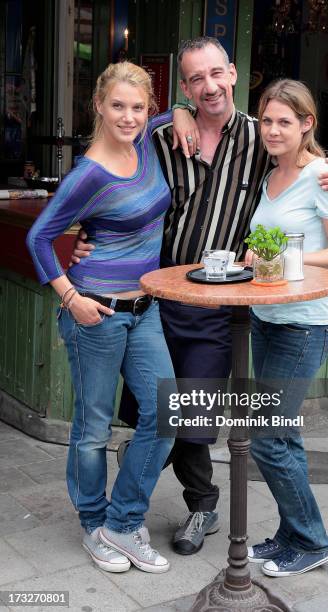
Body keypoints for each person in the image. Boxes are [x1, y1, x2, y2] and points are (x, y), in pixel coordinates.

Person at [72, 36, 328, 557]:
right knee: (157, 411)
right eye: (194, 80)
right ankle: (147, 497)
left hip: (218, 309)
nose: (209, 86)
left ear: (232, 74)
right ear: (184, 87)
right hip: (154, 300)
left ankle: (200, 504)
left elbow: (303, 157)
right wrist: (84, 234)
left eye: (216, 74)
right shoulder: (159, 138)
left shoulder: (260, 137)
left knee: (194, 415)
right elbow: (113, 171)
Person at [26, 62, 187, 575]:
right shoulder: (87, 174)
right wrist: (70, 295)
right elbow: (38, 238)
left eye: (138, 107)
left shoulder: (144, 143)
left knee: (166, 416)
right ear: (98, 105)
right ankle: (94, 525)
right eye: (118, 105)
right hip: (95, 313)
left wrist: (178, 112)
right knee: (93, 427)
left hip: (145, 309)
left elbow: (178, 115)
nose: (129, 116)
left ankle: (122, 522)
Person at [245, 79, 328, 577]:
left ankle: (313, 540)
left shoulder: (325, 176)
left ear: (306, 124)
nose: (272, 130)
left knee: (265, 437)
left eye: (284, 122)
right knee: (282, 437)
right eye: (266, 120)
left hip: (304, 325)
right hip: (265, 318)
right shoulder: (269, 174)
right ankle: (291, 534)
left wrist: (278, 255)